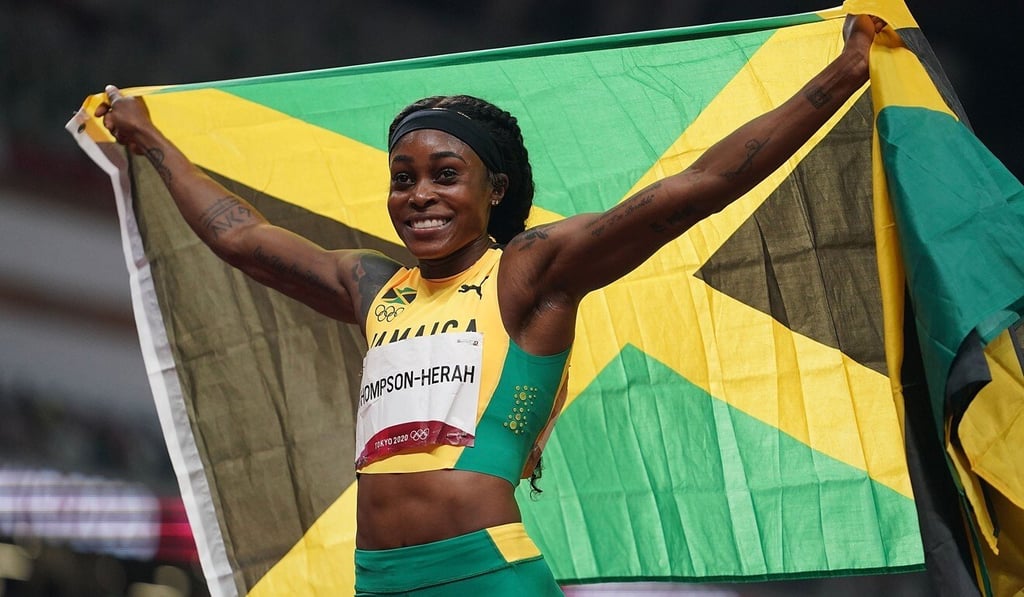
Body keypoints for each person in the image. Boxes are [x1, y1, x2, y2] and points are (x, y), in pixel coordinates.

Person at [97, 13, 886, 596]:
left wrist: (841, 76)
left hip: (483, 572)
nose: (419, 195)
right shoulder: (373, 286)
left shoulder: (529, 272)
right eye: (403, 177)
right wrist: (150, 142)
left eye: (446, 173)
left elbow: (695, 191)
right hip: (375, 579)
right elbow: (240, 237)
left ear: (495, 190)